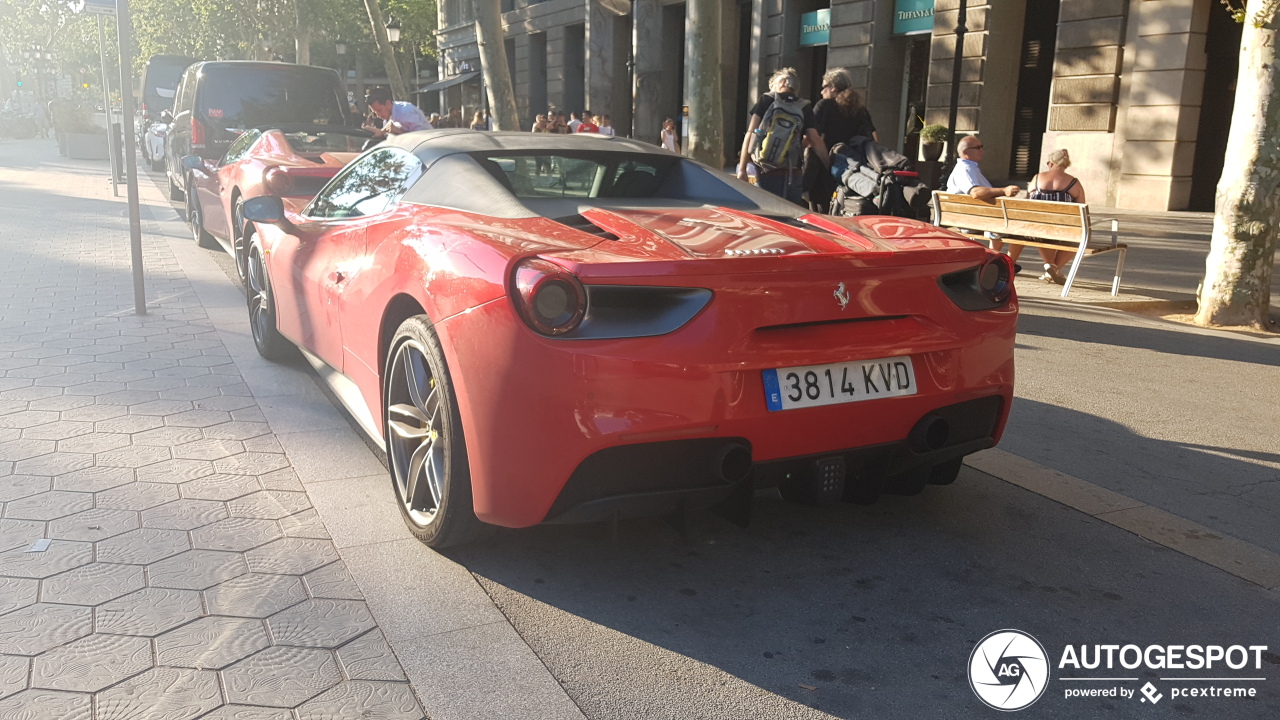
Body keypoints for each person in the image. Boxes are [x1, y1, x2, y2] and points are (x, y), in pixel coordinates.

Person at [736, 67, 828, 205]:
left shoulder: (766, 99)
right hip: (793, 174)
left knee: (767, 218)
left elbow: (751, 133)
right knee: (789, 219)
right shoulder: (803, 106)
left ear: (782, 82)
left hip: (766, 173)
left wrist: (742, 169)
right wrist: (828, 165)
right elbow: (815, 139)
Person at [807, 67, 877, 211]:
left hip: (826, 171)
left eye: (824, 87)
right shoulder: (860, 109)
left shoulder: (824, 105)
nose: (821, 92)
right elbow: (873, 138)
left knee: (820, 216)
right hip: (853, 171)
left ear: (832, 88)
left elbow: (813, 137)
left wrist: (826, 164)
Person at [946, 134, 1025, 262]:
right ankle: (1006, 263)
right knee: (1021, 228)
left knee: (1016, 224)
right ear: (966, 152)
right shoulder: (965, 169)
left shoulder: (971, 168)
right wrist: (1004, 190)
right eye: (977, 147)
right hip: (971, 219)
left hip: (976, 215)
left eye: (982, 147)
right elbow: (975, 192)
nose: (981, 150)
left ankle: (999, 261)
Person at [1027, 148, 1085, 284]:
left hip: (1036, 229)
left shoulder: (1037, 178)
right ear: (1066, 164)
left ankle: (1051, 267)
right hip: (1062, 229)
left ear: (1051, 163)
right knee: (1080, 237)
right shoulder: (1074, 182)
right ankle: (1054, 268)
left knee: (1044, 229)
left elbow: (1027, 200)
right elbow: (1082, 208)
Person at [362, 88, 431, 140]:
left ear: (388, 103)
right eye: (375, 112)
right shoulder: (386, 119)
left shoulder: (406, 112)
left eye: (379, 110)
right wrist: (380, 132)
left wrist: (398, 132)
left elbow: (422, 139)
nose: (378, 116)